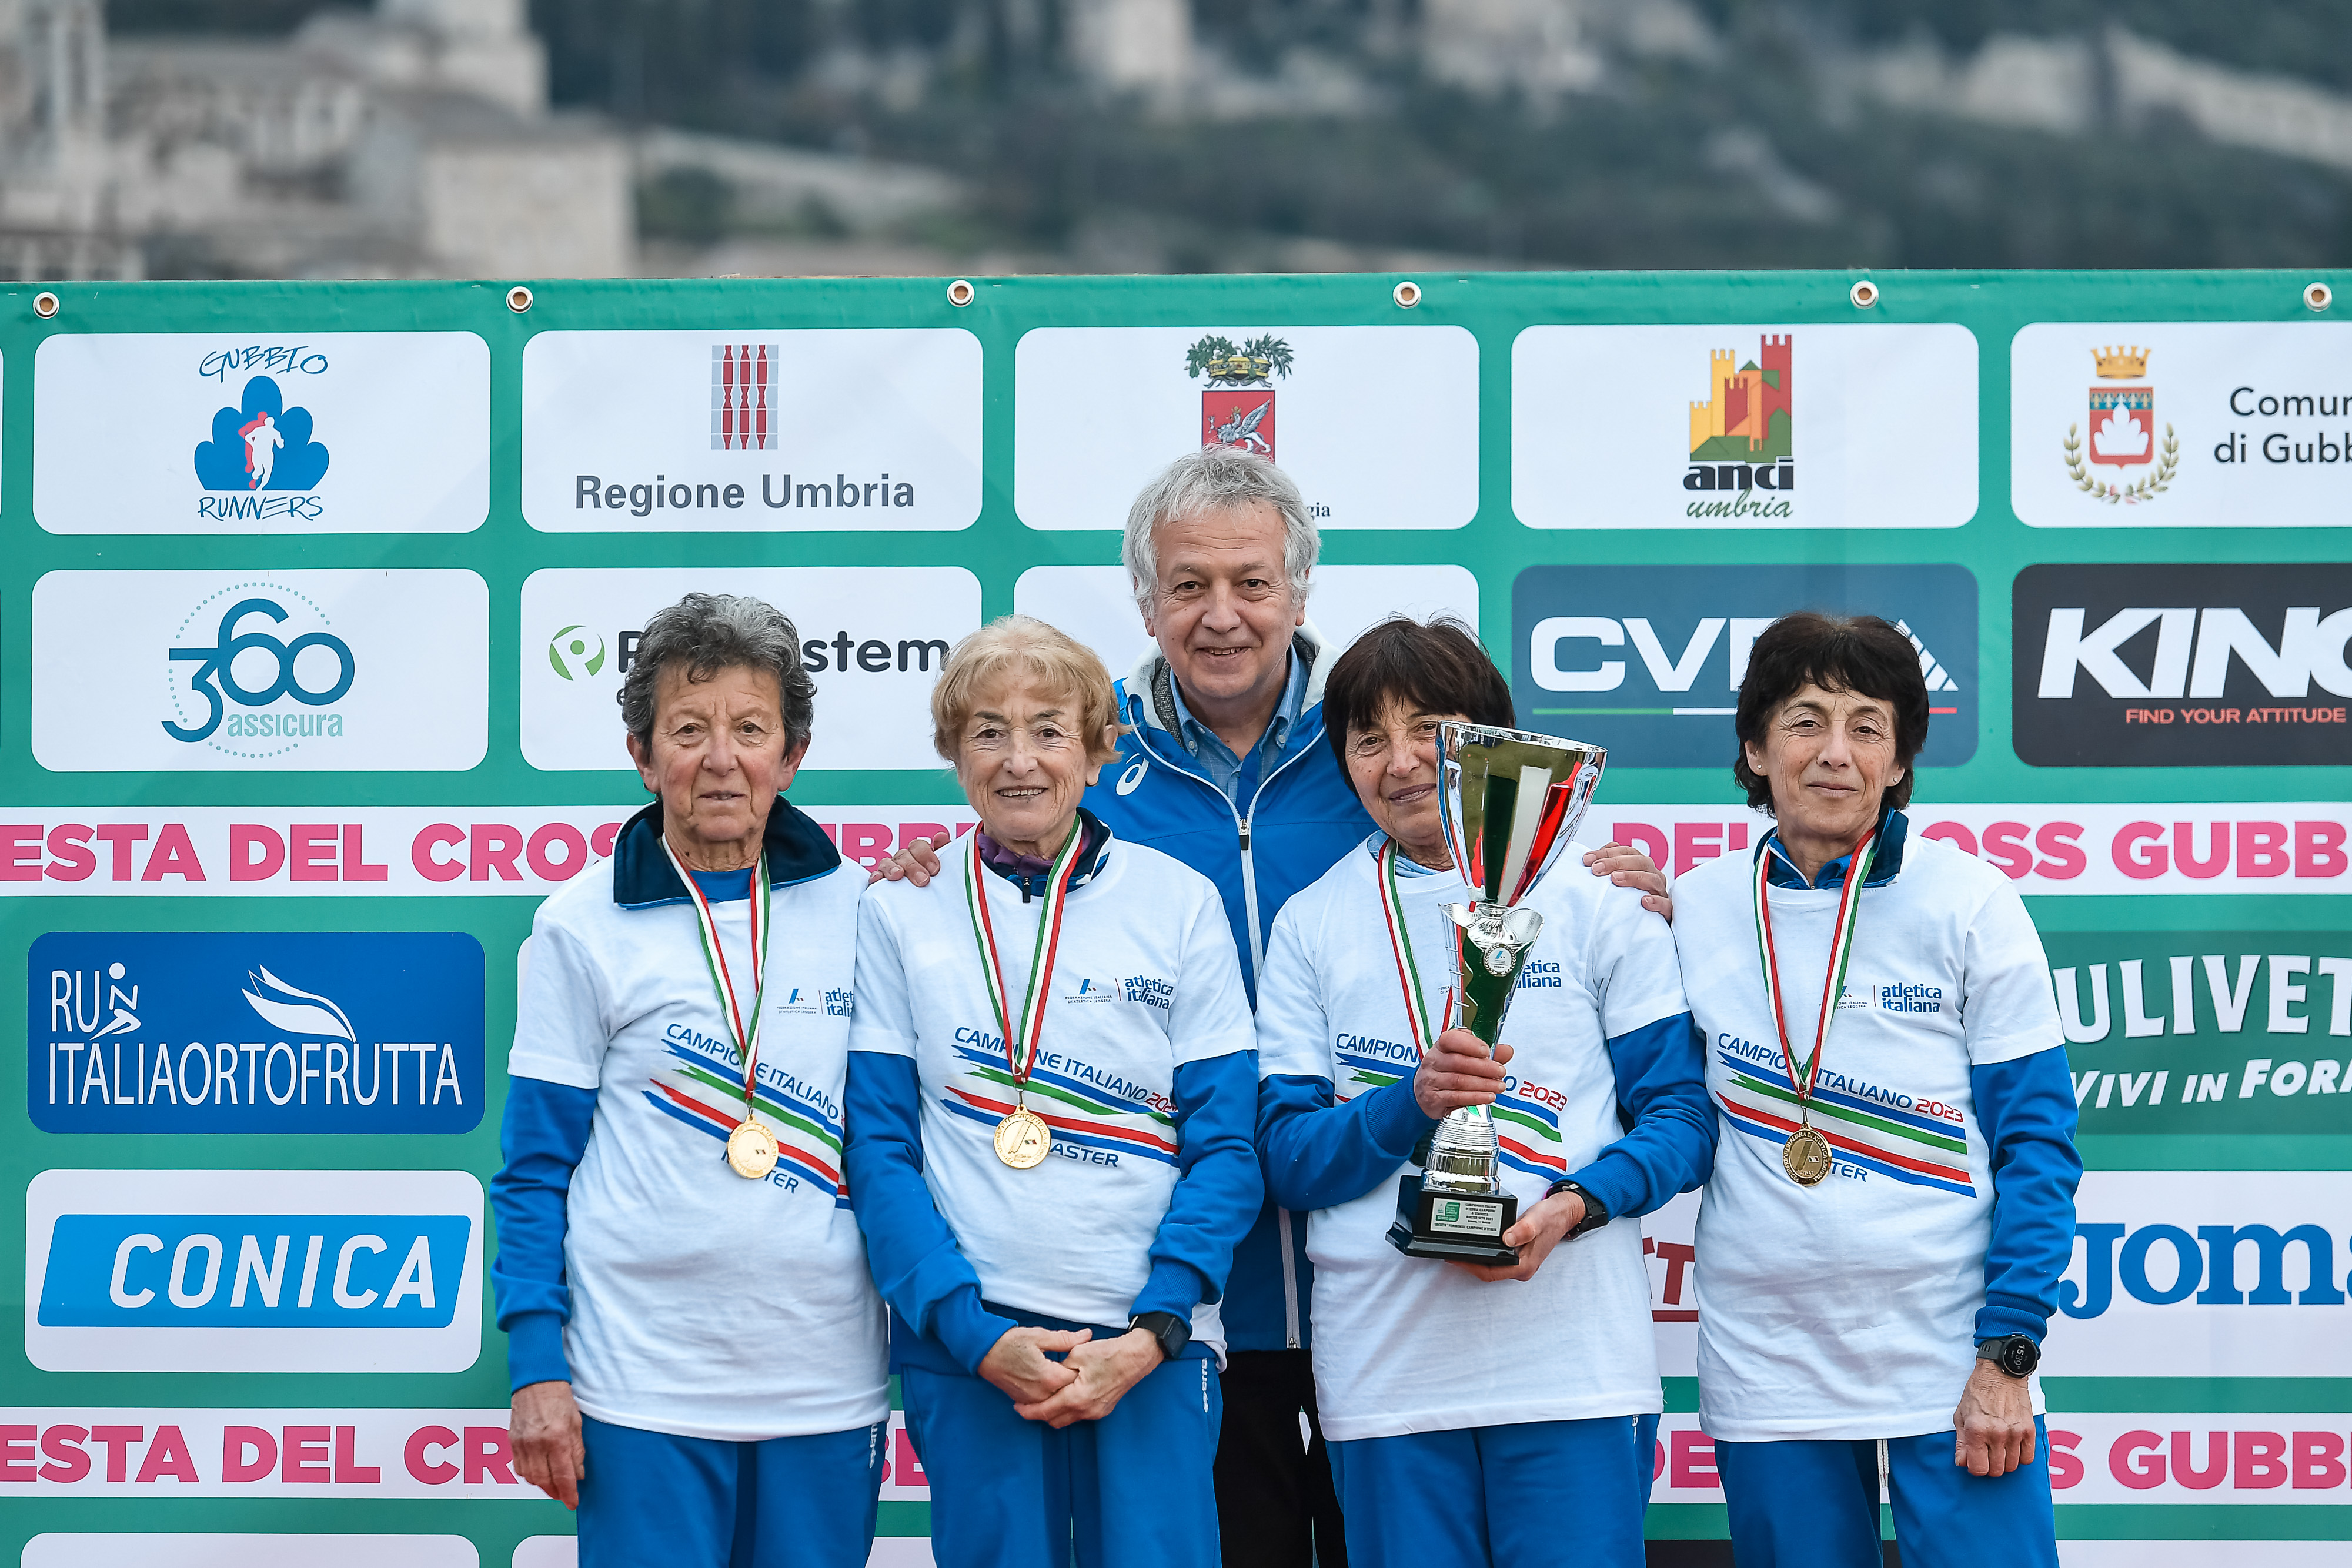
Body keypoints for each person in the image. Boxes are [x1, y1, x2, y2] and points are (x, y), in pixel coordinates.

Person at [875, 447, 1669, 1568]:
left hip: (1395, 1297)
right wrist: (925, 868)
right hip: (1197, 1300)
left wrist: (1615, 876)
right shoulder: (1091, 759)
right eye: (1188, 586)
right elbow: (1004, 870)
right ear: (1145, 603)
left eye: (1251, 582)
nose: (1222, 615)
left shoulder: (1377, 740)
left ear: (1299, 591)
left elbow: (1518, 861)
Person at [1254, 616, 1714, 1568]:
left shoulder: (1598, 896)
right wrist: (1409, 1103)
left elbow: (1680, 1118)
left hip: (1574, 1368)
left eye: (1430, 729)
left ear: (1490, 739)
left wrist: (1576, 1206)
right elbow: (1288, 1158)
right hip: (1387, 1377)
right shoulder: (1310, 922)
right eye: (1369, 739)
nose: (1401, 762)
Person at [844, 615, 1264, 1568]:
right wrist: (969, 1332)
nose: (1020, 760)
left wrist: (1156, 1328)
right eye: (989, 731)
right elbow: (878, 1149)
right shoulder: (900, 907)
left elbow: (1226, 1148)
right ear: (955, 753)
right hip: (973, 1349)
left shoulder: (1179, 901)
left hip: (1152, 1346)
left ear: (1098, 749)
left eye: (1048, 730)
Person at [1669, 612, 2080, 1568]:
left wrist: (2008, 1353)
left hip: (1954, 1354)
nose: (1835, 753)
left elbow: (2037, 1144)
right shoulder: (1690, 907)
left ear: (1898, 762)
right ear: (1755, 747)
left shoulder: (1971, 903)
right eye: (1805, 721)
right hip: (1769, 1360)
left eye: (1867, 727)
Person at [491, 593, 887, 1567]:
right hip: (640, 1387)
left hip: (823, 1384)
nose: (720, 759)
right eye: (688, 730)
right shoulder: (579, 925)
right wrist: (536, 1366)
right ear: (643, 754)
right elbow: (534, 1171)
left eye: (750, 730)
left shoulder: (868, 911)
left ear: (791, 757)